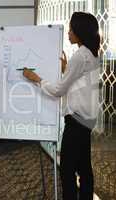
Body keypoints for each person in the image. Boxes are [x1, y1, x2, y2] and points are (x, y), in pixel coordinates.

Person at [23, 12, 100, 200]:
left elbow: (58, 90)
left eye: (71, 29)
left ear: (80, 31)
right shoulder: (90, 54)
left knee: (67, 169)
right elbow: (80, 84)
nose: (68, 33)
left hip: (76, 121)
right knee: (84, 168)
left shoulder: (80, 56)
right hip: (87, 119)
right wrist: (67, 70)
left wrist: (36, 79)